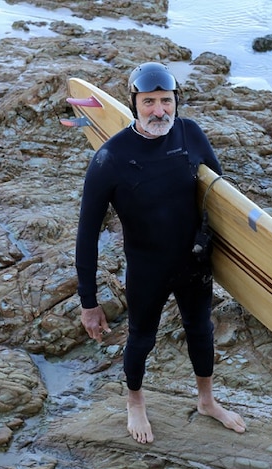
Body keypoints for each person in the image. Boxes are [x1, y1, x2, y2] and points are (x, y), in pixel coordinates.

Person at [75, 62, 246, 444]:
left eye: (165, 101)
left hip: (194, 263)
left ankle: (207, 401)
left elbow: (221, 199)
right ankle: (135, 402)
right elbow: (86, 234)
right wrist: (89, 302)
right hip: (148, 268)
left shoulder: (190, 134)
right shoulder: (110, 159)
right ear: (134, 104)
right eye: (148, 102)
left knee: (201, 331)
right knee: (141, 339)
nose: (159, 111)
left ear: (175, 102)